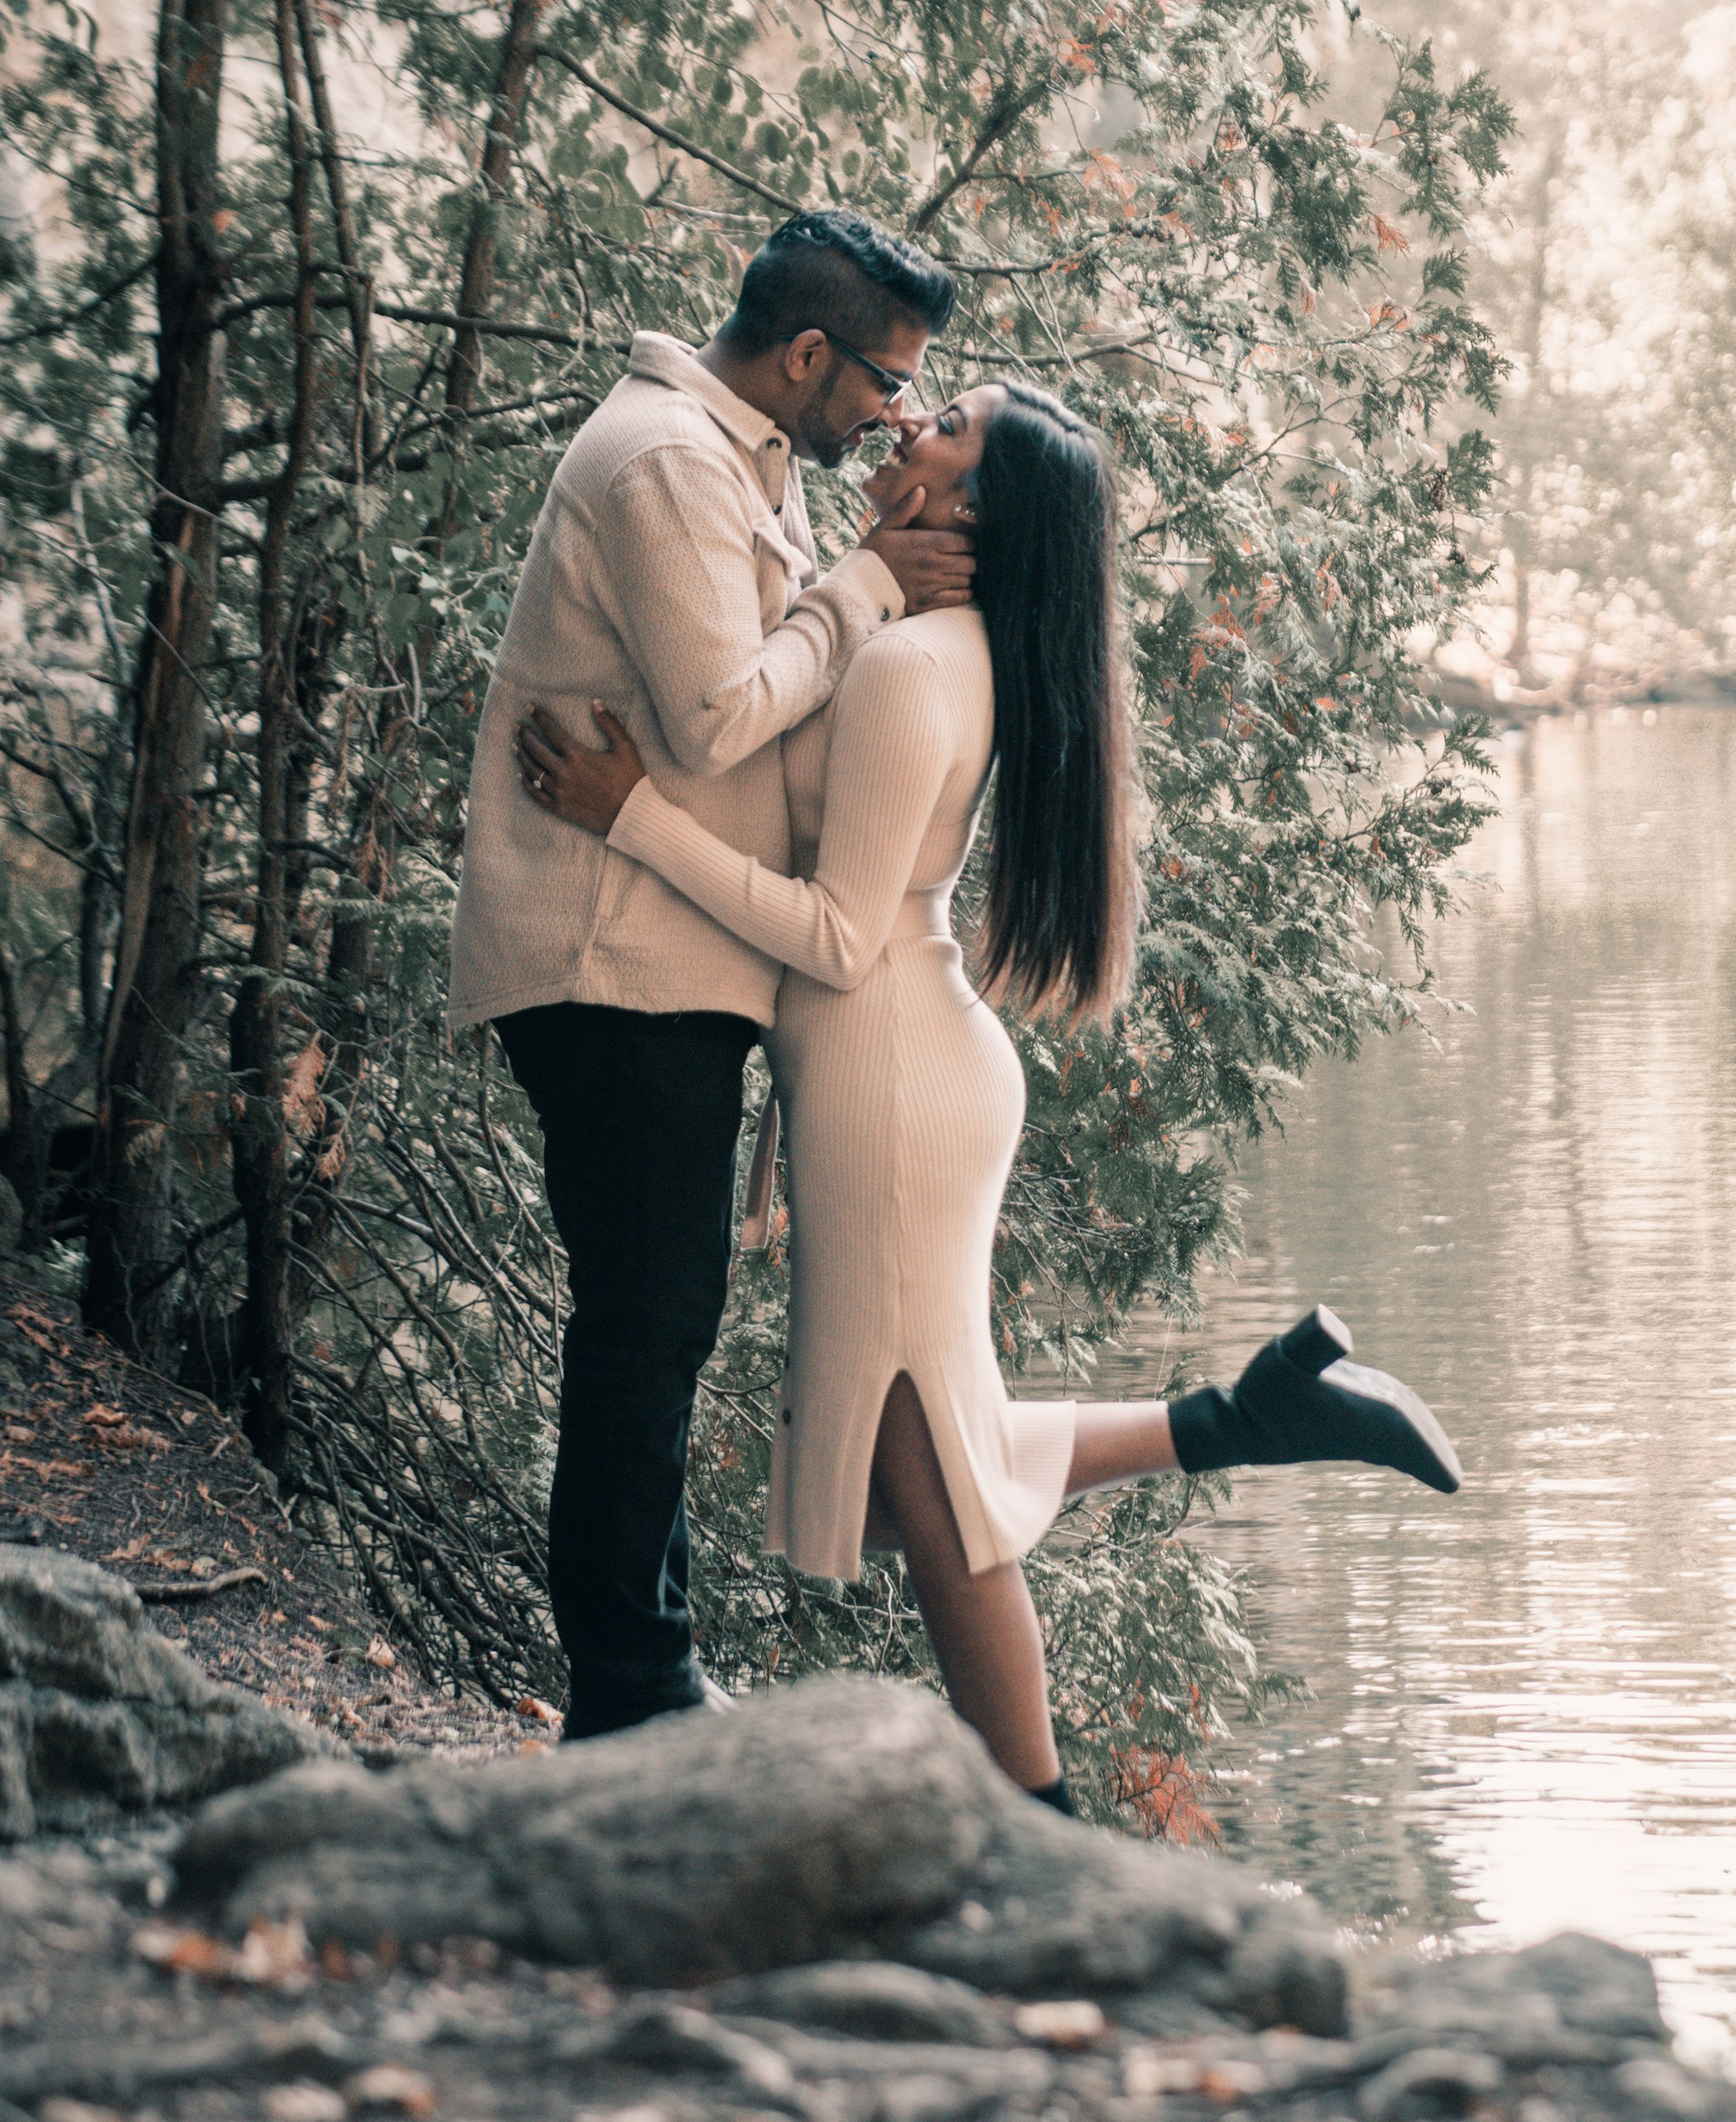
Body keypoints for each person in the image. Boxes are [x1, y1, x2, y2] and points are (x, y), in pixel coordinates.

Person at [513, 378, 1460, 1806]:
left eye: (945, 424)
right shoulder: (920, 640)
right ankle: (1245, 1419)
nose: (909, 422)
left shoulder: (915, 667)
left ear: (974, 507)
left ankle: (1045, 1832)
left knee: (942, 1505)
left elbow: (840, 934)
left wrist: (630, 814)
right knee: (893, 1487)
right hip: (886, 1070)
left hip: (893, 1079)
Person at [447, 207, 974, 1741]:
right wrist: (865, 588)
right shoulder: (670, 463)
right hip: (608, 956)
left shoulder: (746, 459)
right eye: (888, 382)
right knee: (646, 1320)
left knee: (659, 1316)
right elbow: (718, 718)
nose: (895, 415)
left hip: (663, 954)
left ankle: (650, 1668)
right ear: (808, 355)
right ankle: (631, 1691)